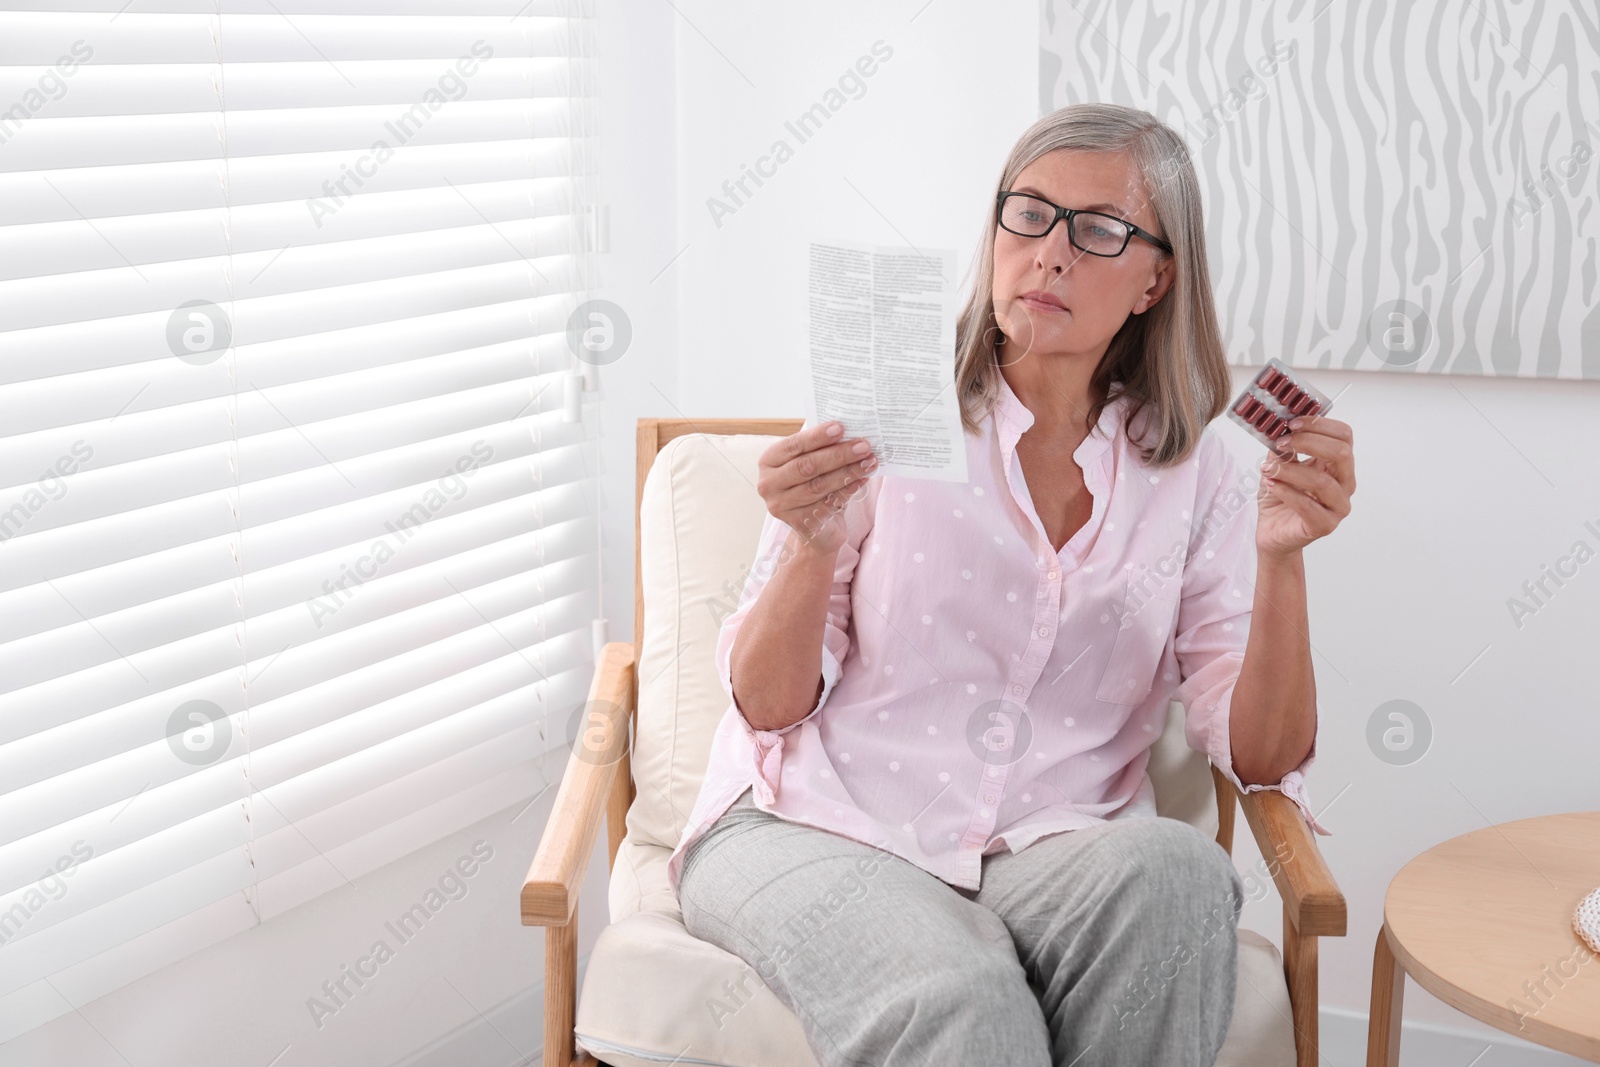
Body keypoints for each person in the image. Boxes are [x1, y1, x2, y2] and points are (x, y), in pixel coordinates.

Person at [671, 102, 1356, 1067]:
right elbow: (767, 706)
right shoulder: (887, 419)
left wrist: (1282, 560)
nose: (1050, 253)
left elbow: (1258, 753)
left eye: (1099, 230)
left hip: (1051, 849)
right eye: (1026, 214)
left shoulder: (1202, 476)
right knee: (964, 999)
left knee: (1184, 873)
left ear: (1157, 277)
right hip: (816, 822)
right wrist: (807, 544)